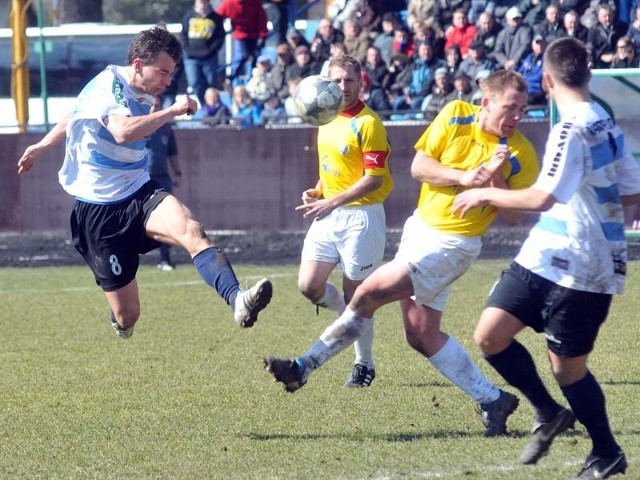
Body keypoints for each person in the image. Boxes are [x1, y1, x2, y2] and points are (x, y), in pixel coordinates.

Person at [264, 69, 540, 438]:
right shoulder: (456, 112)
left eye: (523, 109)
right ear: (486, 102)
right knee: (421, 334)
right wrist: (467, 175)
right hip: (419, 230)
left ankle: (302, 367)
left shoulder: (519, 151)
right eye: (511, 108)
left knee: (368, 292)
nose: (517, 117)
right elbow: (419, 167)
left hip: (453, 244)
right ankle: (493, 400)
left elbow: (513, 216)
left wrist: (494, 176)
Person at [452, 37, 640, 479]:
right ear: (589, 74)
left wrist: (483, 191)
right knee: (490, 335)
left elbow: (544, 195)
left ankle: (607, 452)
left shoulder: (572, 126)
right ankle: (547, 412)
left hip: (584, 265)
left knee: (568, 368)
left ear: (548, 80)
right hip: (544, 254)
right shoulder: (606, 123)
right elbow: (632, 190)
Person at [16, 27, 273, 339]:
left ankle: (237, 300)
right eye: (162, 72)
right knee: (129, 315)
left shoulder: (134, 89)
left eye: (171, 73)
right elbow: (123, 132)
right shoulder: (110, 86)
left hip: (139, 189)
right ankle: (120, 320)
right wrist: (171, 111)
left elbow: (77, 109)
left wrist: (42, 145)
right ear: (138, 65)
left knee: (191, 231)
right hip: (98, 212)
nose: (167, 81)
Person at [292, 54, 394, 388]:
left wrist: (332, 201)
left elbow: (374, 179)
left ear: (360, 82)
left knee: (359, 296)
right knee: (309, 285)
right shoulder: (324, 117)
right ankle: (345, 314)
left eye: (349, 80)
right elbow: (330, 168)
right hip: (328, 212)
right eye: (336, 80)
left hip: (362, 217)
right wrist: (318, 191)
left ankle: (364, 364)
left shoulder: (369, 123)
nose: (343, 86)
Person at [145, 95, 182, 271]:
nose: (154, 109)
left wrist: (178, 173)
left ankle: (165, 258)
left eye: (157, 106)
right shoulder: (140, 126)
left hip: (162, 179)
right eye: (151, 106)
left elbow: (172, 153)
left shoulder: (167, 129)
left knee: (168, 218)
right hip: (140, 180)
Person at [181, 0, 226, 106]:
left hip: (209, 57)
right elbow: (183, 35)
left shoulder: (216, 18)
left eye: (204, 2)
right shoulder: (189, 16)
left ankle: (215, 108)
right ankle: (205, 105)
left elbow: (220, 38)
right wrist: (187, 49)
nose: (202, 4)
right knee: (194, 82)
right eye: (200, 2)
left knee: (211, 85)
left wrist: (210, 50)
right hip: (191, 58)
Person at [216, 0, 269, 87]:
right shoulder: (229, 3)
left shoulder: (255, 2)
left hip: (254, 35)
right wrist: (219, 31)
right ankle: (231, 77)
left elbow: (262, 18)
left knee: (256, 58)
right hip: (240, 35)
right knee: (243, 55)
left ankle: (253, 80)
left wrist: (263, 35)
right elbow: (217, 17)